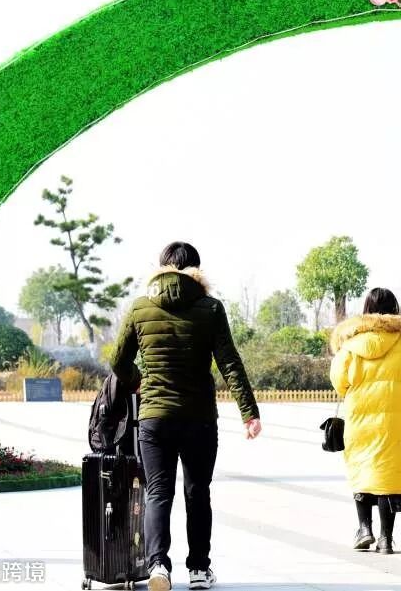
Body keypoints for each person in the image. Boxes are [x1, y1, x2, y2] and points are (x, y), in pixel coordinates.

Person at [111, 242, 261, 591]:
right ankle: (198, 570)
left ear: (161, 267)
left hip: (154, 418)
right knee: (197, 493)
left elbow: (118, 361)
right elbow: (229, 362)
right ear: (196, 270)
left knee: (157, 493)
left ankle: (158, 567)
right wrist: (249, 413)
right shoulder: (211, 308)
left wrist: (139, 382)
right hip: (199, 418)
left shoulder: (140, 307)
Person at [330, 287, 401, 554]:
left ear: (366, 309)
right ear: (394, 309)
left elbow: (339, 380)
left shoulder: (351, 341)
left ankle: (365, 529)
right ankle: (386, 539)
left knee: (362, 471)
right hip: (393, 421)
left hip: (359, 418)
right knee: (389, 476)